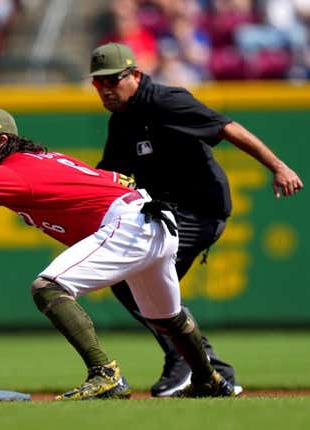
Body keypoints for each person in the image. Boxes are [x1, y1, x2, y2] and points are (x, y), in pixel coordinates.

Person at [0, 107, 237, 399]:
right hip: (154, 222)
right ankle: (209, 380)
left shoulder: (8, 172)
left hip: (130, 223)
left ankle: (104, 373)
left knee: (48, 287)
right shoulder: (44, 160)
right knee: (167, 317)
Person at [88, 42, 304, 397]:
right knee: (135, 284)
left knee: (140, 280)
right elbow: (109, 175)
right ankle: (215, 372)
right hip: (168, 213)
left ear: (136, 75)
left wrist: (278, 167)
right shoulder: (122, 121)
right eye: (99, 83)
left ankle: (182, 360)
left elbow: (228, 127)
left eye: (113, 79)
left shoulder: (166, 101)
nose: (106, 89)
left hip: (201, 210)